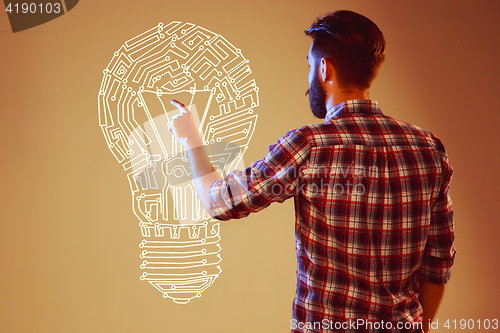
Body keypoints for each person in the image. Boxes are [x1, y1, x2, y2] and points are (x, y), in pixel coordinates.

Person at [167, 10, 455, 333]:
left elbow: (218, 202)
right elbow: (438, 266)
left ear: (324, 69)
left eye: (308, 66)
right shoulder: (429, 148)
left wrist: (191, 138)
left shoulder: (309, 146)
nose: (308, 79)